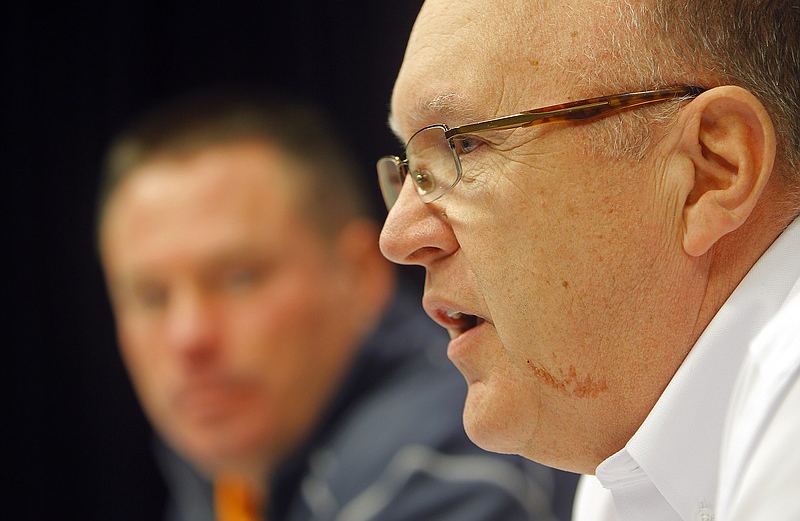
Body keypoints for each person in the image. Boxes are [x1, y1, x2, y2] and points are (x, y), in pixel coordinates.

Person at [377, 0, 800, 519]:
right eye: (409, 170)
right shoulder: (622, 473)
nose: (399, 238)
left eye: (463, 145)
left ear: (710, 169)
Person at [96, 90, 577, 521]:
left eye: (240, 279)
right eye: (151, 297)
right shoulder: (231, 465)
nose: (189, 336)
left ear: (361, 274)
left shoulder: (441, 463)